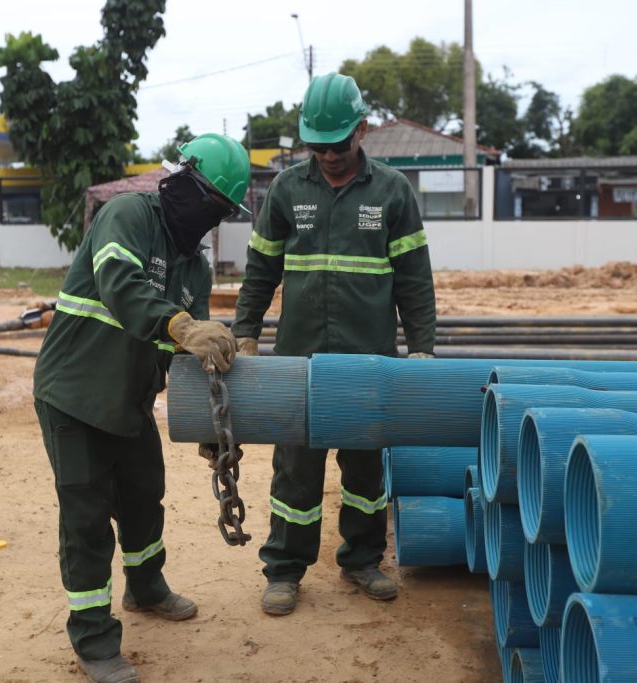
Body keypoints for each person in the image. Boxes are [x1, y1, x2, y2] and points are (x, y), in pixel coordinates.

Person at [32, 133, 249, 683]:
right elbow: (119, 283)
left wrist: (210, 425)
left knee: (143, 496)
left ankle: (147, 588)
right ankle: (95, 640)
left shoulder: (194, 270)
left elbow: (190, 361)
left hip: (128, 399)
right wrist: (179, 324)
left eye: (220, 211)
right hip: (73, 395)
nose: (209, 216)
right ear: (181, 181)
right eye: (208, 201)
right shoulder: (127, 216)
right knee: (85, 521)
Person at [232, 72, 437, 616]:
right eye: (317, 146)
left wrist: (421, 347)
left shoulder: (393, 192)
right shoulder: (286, 190)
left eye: (338, 145)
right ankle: (284, 570)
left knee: (365, 470)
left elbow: (415, 278)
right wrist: (245, 331)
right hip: (299, 361)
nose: (328, 156)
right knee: (295, 468)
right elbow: (260, 270)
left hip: (368, 362)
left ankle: (363, 560)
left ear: (362, 131)